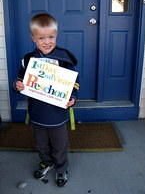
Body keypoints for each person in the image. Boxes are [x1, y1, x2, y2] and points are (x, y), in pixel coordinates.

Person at [15, 13, 79, 187]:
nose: (47, 41)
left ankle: (61, 168)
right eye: (41, 37)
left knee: (59, 144)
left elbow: (74, 83)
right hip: (37, 112)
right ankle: (46, 162)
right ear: (33, 38)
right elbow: (20, 79)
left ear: (56, 36)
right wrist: (18, 85)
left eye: (51, 37)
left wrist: (72, 97)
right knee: (41, 143)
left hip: (58, 113)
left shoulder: (65, 58)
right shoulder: (28, 59)